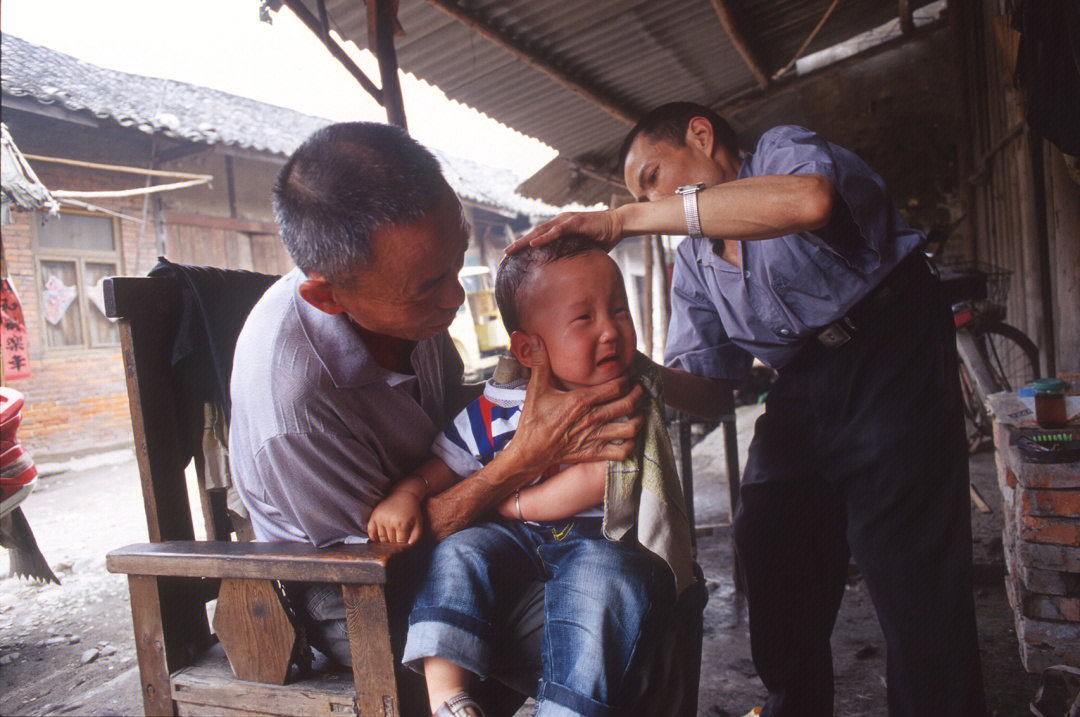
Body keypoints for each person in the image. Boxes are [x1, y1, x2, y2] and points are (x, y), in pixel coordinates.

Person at [510, 102, 987, 717]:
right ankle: (795, 704)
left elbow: (811, 202)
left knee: (909, 567)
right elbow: (711, 389)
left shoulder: (783, 155)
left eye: (652, 175)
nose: (648, 197)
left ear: (702, 137)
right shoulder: (696, 263)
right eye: (639, 193)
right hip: (804, 380)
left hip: (890, 344)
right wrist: (641, 371)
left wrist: (628, 218)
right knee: (768, 534)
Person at [228, 122, 647, 715]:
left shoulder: (408, 310)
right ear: (330, 297)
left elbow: (459, 431)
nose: (454, 300)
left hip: (460, 536)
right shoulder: (292, 406)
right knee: (619, 621)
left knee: (634, 590)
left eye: (456, 263)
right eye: (429, 288)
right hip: (358, 596)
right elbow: (384, 564)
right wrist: (523, 462)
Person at [368, 237, 697, 717]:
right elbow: (448, 461)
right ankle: (447, 697)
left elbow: (602, 478)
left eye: (620, 311)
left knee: (604, 594)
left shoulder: (623, 400)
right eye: (584, 319)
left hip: (598, 540)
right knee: (459, 552)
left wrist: (516, 504)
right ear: (527, 348)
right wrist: (407, 491)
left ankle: (566, 710)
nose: (610, 331)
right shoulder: (499, 405)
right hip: (512, 540)